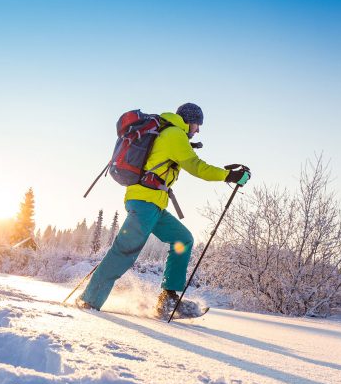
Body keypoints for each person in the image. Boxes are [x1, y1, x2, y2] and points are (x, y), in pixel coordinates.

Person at [76, 102, 250, 316]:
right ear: (189, 120)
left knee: (182, 239)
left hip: (153, 204)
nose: (198, 130)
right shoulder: (174, 135)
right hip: (145, 202)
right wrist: (229, 176)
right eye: (197, 124)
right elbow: (197, 167)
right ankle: (89, 302)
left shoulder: (171, 134)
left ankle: (167, 299)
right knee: (123, 252)